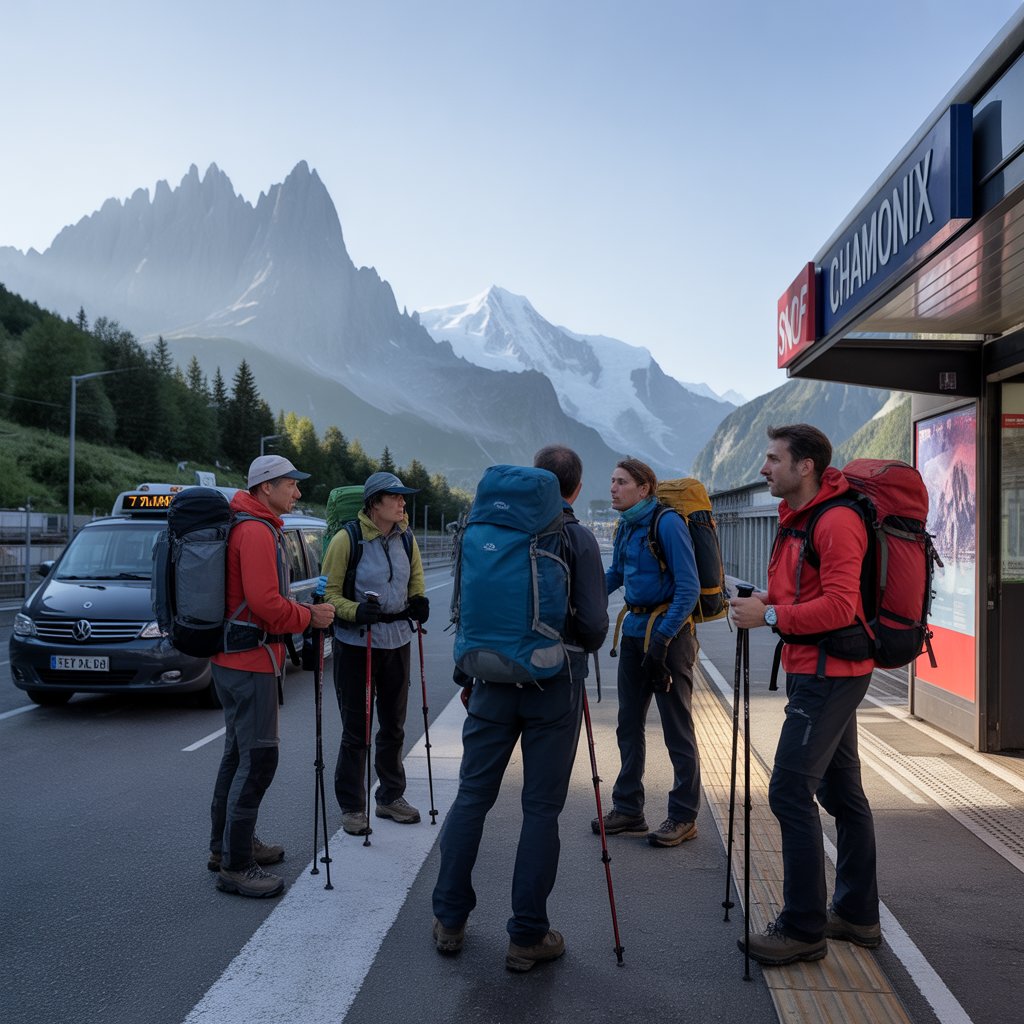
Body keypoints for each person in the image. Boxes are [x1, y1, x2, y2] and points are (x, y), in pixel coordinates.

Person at [432, 445, 608, 972]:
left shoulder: (486, 530)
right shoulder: (575, 538)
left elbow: (466, 610)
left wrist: (470, 676)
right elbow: (596, 629)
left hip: (487, 680)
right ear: (572, 489)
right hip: (553, 684)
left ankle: (449, 920)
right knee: (540, 810)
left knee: (471, 799)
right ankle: (528, 935)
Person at [730, 423, 880, 966]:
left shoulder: (836, 522)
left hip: (830, 674)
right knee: (842, 795)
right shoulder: (798, 518)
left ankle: (802, 929)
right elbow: (806, 592)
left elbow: (842, 606)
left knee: (789, 792)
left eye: (773, 459)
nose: (764, 468)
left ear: (805, 467)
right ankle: (858, 915)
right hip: (815, 667)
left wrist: (768, 614)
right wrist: (767, 601)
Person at [209, 454, 336, 898]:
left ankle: (225, 848)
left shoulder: (244, 524)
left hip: (230, 659)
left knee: (236, 756)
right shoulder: (256, 532)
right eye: (290, 485)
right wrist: (311, 616)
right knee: (259, 759)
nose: (297, 492)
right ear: (266, 487)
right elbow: (266, 605)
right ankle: (237, 865)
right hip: (251, 661)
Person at [596, 457, 702, 847]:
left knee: (677, 728)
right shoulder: (626, 526)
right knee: (628, 724)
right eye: (611, 480)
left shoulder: (667, 524)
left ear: (644, 489)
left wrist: (663, 640)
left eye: (621, 482)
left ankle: (683, 815)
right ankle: (629, 809)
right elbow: (616, 576)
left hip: (669, 639)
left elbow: (688, 589)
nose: (612, 487)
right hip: (634, 634)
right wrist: (581, 603)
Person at [322, 470, 429, 835]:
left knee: (394, 726)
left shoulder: (406, 538)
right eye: (395, 497)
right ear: (374, 503)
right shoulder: (346, 539)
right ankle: (352, 806)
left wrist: (418, 602)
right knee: (357, 730)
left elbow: (415, 580)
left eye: (403, 497)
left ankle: (389, 797)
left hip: (397, 640)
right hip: (356, 645)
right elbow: (329, 594)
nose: (402, 503)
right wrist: (353, 611)